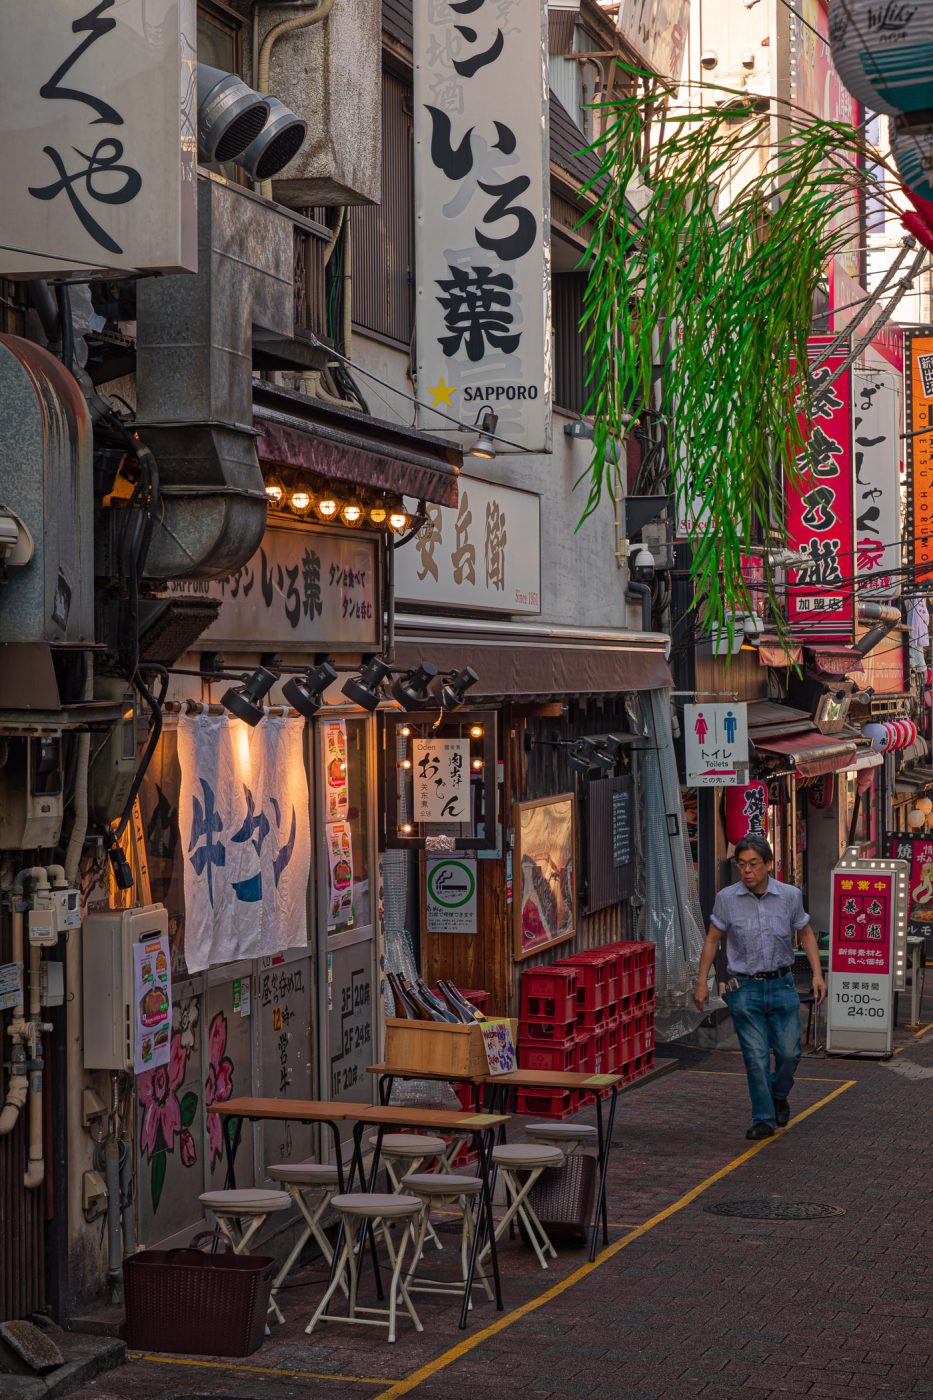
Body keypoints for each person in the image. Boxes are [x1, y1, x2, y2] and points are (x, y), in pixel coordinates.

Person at [693, 834, 826, 1140]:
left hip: (782, 985)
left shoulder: (790, 896)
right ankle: (763, 1118)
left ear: (768, 864)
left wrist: (817, 975)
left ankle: (778, 1095)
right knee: (755, 1057)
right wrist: (702, 982)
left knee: (790, 1053)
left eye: (753, 864)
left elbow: (805, 933)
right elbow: (713, 939)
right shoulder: (727, 898)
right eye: (741, 865)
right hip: (744, 988)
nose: (747, 871)